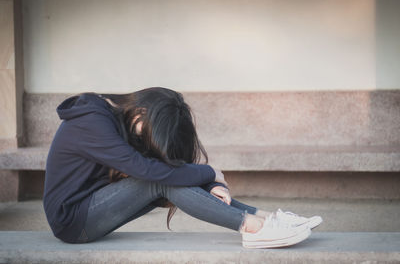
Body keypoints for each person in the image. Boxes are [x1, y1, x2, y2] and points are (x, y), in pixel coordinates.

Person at [43, 87, 322, 248]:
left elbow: (171, 167)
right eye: (148, 132)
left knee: (164, 177)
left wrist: (212, 183)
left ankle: (265, 217)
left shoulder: (120, 121)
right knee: (158, 180)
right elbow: (154, 173)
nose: (145, 139)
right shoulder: (92, 123)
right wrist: (211, 172)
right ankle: (252, 228)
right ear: (141, 112)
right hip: (72, 221)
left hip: (91, 209)